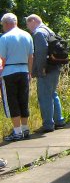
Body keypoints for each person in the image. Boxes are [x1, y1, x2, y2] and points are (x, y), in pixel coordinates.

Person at [25, 15, 67, 133]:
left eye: (28, 24)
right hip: (55, 67)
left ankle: (48, 124)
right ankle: (59, 120)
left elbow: (41, 53)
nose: (28, 27)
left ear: (33, 21)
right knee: (53, 94)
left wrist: (41, 69)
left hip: (46, 69)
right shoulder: (49, 30)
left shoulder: (39, 33)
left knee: (44, 96)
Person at [0, 13, 33, 141]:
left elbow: (2, 59)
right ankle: (25, 129)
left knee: (12, 101)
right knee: (23, 100)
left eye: (3, 25)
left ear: (7, 23)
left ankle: (17, 131)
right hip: (24, 70)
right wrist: (30, 72)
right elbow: (31, 56)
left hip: (9, 72)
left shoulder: (4, 38)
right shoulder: (27, 35)